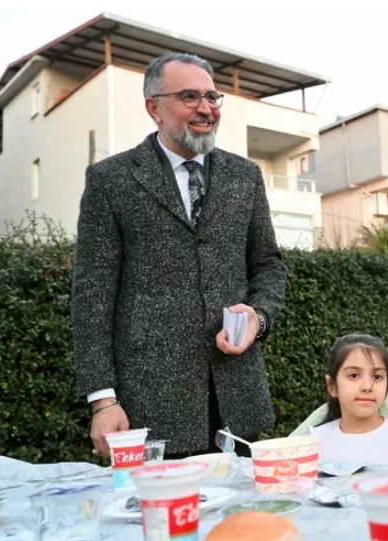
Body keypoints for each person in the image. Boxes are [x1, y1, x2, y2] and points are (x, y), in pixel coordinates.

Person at [71, 52, 287, 458]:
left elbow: (269, 266)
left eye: (212, 97)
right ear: (154, 107)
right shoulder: (110, 180)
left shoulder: (246, 176)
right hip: (148, 409)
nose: (205, 109)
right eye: (189, 97)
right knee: (159, 521)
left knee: (237, 520)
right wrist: (103, 399)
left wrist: (258, 318)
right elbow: (92, 296)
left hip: (238, 402)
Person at [310, 334, 388, 465]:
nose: (367, 386)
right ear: (332, 386)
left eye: (377, 377)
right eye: (353, 375)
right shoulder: (313, 443)